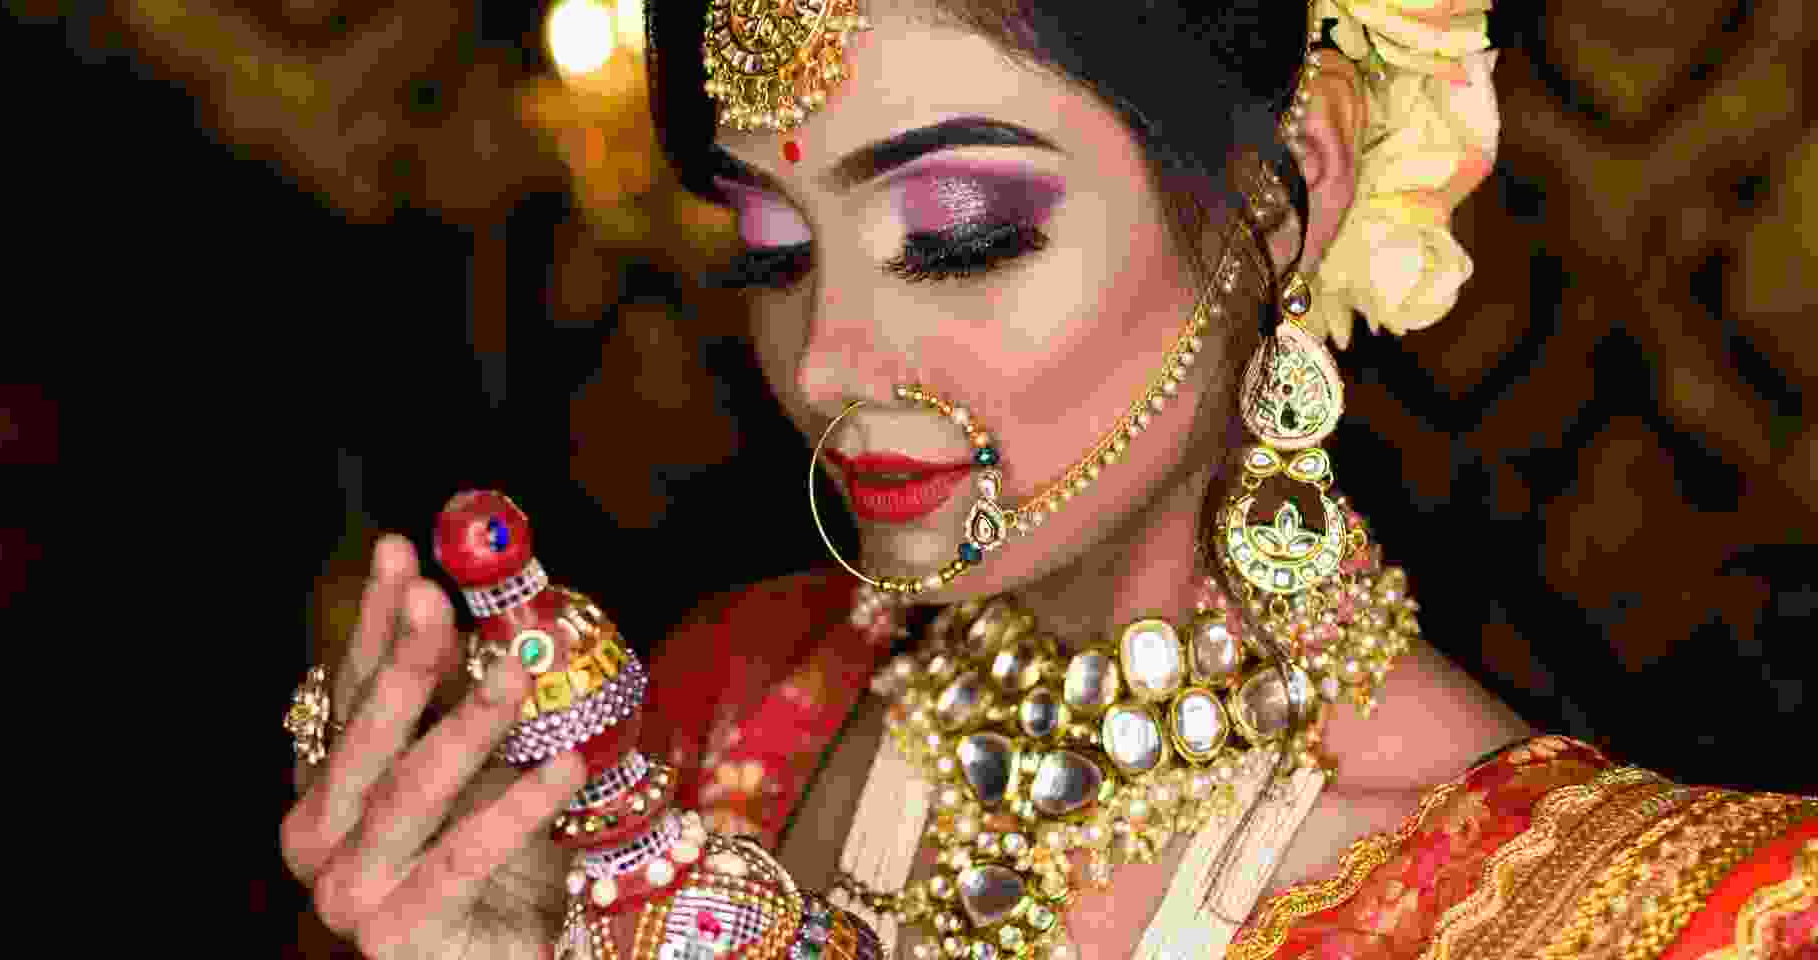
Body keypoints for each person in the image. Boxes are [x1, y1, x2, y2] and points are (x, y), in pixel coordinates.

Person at [279, 1, 1818, 958]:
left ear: (1281, 203)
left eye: (961, 234)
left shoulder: (1679, 919)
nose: (827, 360)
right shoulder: (716, 704)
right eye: (774, 250)